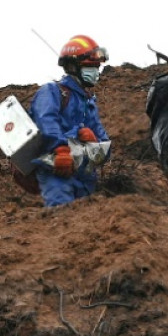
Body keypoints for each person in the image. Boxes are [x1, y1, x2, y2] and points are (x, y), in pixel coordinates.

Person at [30, 34, 111, 207]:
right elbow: (46, 122)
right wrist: (60, 148)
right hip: (57, 172)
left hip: (86, 179)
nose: (96, 72)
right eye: (90, 66)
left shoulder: (89, 102)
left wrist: (95, 142)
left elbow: (105, 145)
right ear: (73, 66)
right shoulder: (52, 92)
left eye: (97, 67)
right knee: (61, 217)